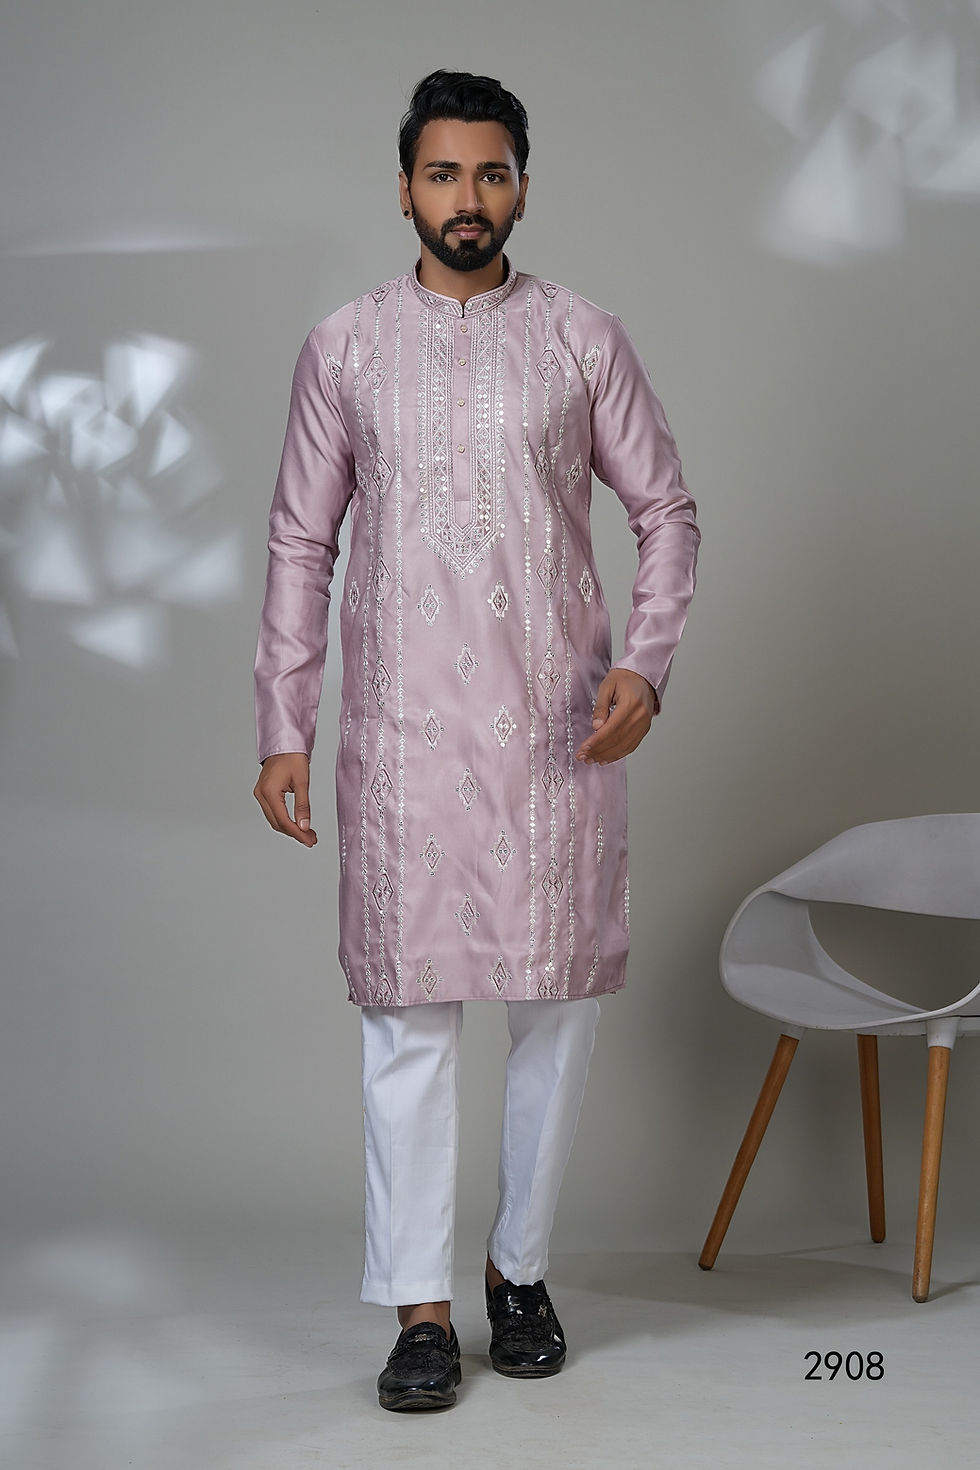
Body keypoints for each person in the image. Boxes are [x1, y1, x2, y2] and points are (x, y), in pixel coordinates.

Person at [253, 69, 700, 1412]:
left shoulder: (581, 338)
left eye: (491, 174)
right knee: (408, 1021)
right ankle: (424, 1311)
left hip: (559, 734)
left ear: (521, 185)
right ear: (405, 188)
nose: (469, 198)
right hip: (401, 739)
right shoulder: (344, 347)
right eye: (443, 175)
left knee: (555, 1010)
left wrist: (646, 664)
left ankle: (519, 1272)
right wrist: (284, 720)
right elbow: (299, 538)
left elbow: (667, 507)